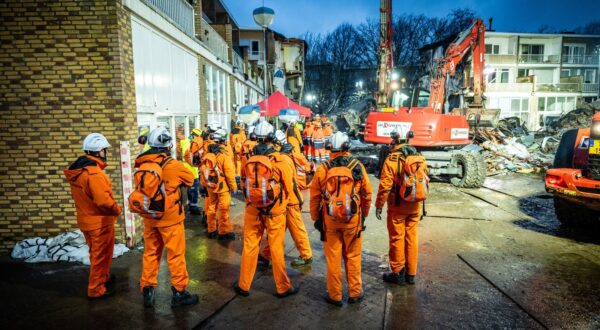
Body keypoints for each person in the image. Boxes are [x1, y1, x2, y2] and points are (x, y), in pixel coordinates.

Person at [234, 121, 299, 298]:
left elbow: (242, 185)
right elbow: (289, 187)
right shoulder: (281, 160)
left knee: (250, 246)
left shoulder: (248, 160)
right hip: (275, 211)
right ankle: (283, 287)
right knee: (276, 248)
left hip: (253, 210)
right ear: (272, 138)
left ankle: (243, 285)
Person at [135, 127, 198, 308]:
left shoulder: (142, 165)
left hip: (150, 218)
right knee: (175, 255)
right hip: (170, 219)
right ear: (167, 144)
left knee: (150, 253)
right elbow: (190, 179)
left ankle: (147, 287)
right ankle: (179, 292)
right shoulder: (173, 165)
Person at [309, 131, 372, 306]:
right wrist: (363, 214)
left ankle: (334, 295)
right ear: (347, 146)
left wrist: (316, 218)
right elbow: (367, 193)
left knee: (333, 258)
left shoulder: (323, 168)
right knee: (352, 256)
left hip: (330, 220)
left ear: (331, 147)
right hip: (352, 220)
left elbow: (314, 196)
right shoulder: (357, 166)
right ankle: (355, 292)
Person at [64, 133, 122, 299]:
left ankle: (103, 278)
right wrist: (116, 209)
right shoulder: (94, 173)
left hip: (87, 221)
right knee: (101, 256)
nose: (106, 152)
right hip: (100, 223)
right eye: (105, 150)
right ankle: (96, 290)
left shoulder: (78, 171)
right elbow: (103, 201)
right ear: (99, 152)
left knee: (96, 254)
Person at [375, 131, 424, 286]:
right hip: (415, 205)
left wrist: (379, 205)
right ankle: (411, 274)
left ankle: (398, 273)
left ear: (395, 141)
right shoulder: (419, 157)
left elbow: (385, 186)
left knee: (397, 238)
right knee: (412, 238)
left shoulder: (392, 159)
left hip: (397, 205)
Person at [261, 142, 313, 267]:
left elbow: (289, 185)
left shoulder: (279, 161)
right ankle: (267, 255)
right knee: (277, 231)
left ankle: (306, 256)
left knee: (296, 229)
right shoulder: (285, 159)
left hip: (289, 202)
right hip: (286, 201)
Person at [203, 129, 238, 240]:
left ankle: (211, 229)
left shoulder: (207, 155)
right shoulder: (224, 156)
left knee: (211, 208)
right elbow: (229, 174)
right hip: (222, 187)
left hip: (210, 185)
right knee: (224, 209)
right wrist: (234, 187)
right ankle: (224, 231)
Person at [181, 128, 202, 215]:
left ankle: (191, 206)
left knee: (191, 190)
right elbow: (191, 158)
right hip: (191, 171)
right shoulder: (188, 143)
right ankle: (193, 208)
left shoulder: (187, 142)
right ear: (194, 135)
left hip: (190, 170)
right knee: (193, 190)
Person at [230, 122, 247, 188]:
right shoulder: (241, 132)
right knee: (239, 165)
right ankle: (238, 179)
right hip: (240, 151)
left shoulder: (232, 132)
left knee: (234, 164)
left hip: (233, 151)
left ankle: (235, 178)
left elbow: (231, 142)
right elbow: (244, 141)